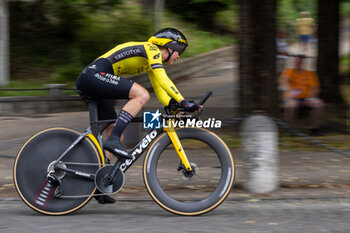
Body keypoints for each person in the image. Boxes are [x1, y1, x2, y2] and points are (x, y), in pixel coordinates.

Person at [76, 28, 200, 203]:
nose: (179, 56)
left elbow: (159, 86)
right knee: (141, 95)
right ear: (169, 47)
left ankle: (98, 185)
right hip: (94, 76)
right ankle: (113, 142)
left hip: (96, 79)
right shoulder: (152, 49)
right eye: (179, 52)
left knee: (114, 131)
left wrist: (172, 106)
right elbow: (163, 79)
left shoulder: (150, 60)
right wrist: (182, 100)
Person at [278, 55, 324, 136]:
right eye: (295, 62)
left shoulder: (310, 73)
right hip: (291, 98)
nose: (297, 63)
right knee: (291, 105)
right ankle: (291, 129)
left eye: (299, 62)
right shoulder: (289, 71)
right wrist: (290, 92)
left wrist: (309, 99)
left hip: (306, 98)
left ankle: (314, 128)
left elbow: (315, 88)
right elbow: (283, 81)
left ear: (303, 63)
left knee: (318, 103)